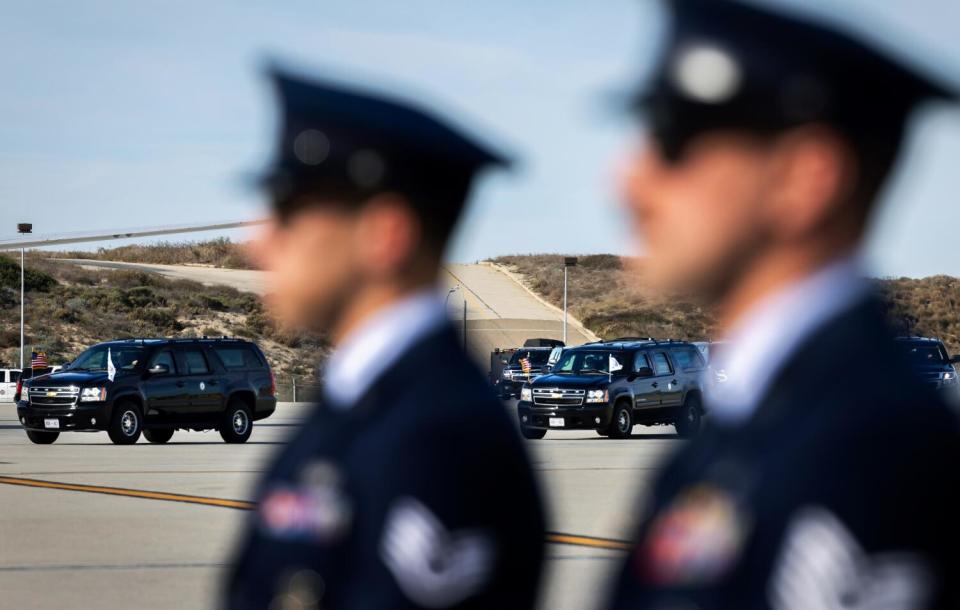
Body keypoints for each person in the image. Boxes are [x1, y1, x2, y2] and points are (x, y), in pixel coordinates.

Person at [606, 0, 960, 607]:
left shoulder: (873, 449)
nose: (628, 183)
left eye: (673, 140)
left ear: (806, 176)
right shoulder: (759, 414)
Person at [223, 67, 545, 609]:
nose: (257, 240)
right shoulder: (358, 406)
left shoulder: (443, 439)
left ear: (385, 233)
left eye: (287, 208)